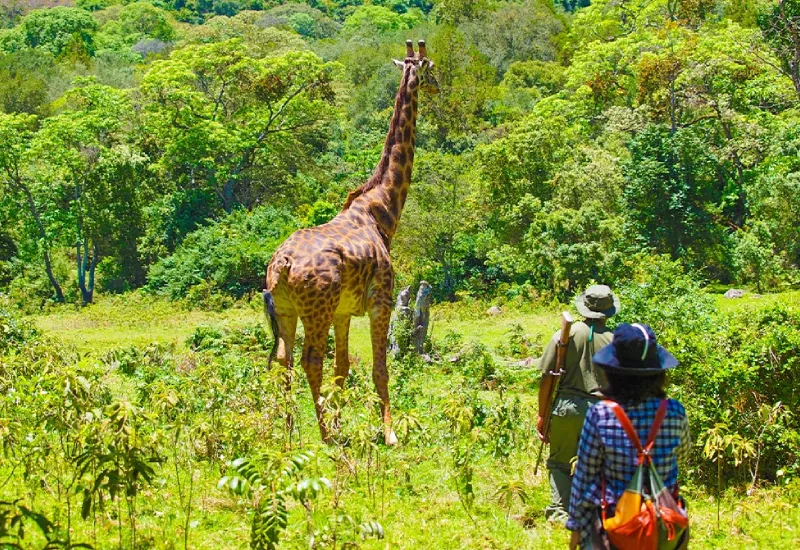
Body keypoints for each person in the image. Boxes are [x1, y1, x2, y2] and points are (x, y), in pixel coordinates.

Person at [566, 323, 691, 549]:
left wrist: (575, 526)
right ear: (658, 372)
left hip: (615, 526)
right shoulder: (674, 411)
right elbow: (681, 456)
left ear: (612, 372)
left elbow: (585, 475)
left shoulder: (601, 414)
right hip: (664, 527)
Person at [537, 285, 620, 522]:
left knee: (560, 462)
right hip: (603, 412)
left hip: (567, 408)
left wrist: (542, 414)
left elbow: (546, 377)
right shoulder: (616, 342)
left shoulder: (565, 336)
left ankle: (560, 511)